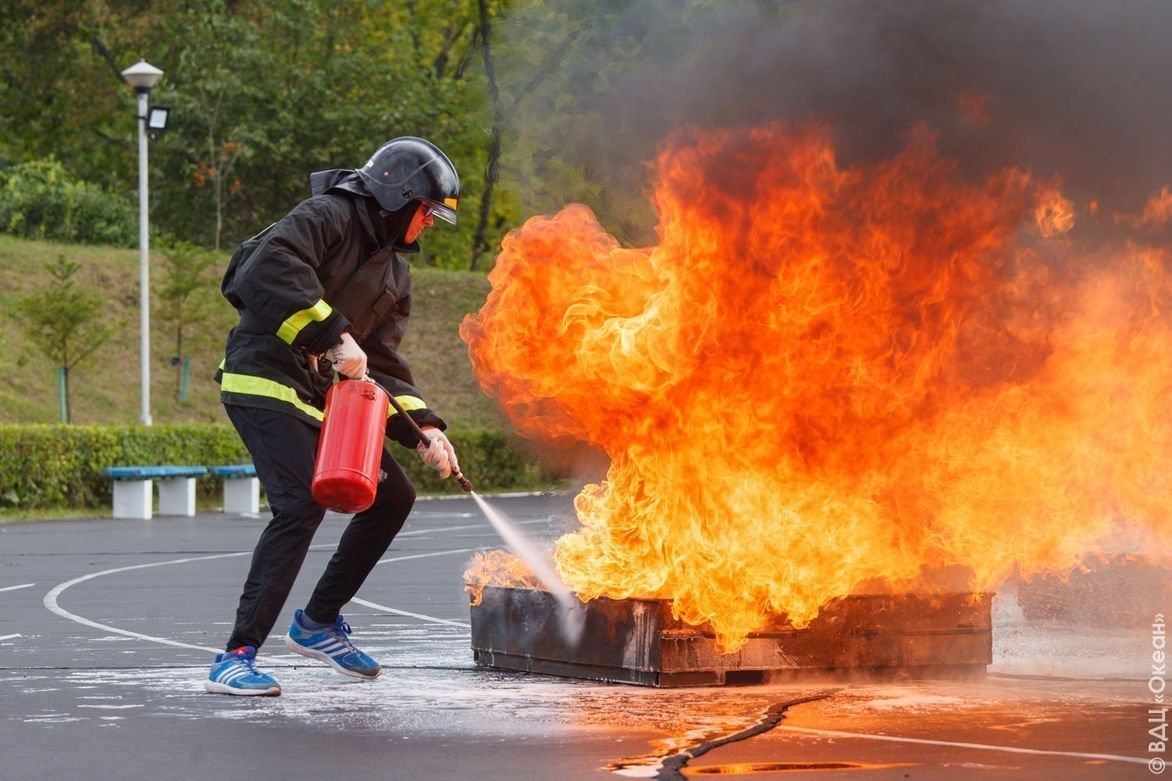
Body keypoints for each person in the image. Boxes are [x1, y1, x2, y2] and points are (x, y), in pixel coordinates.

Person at [205, 137, 462, 696]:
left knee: (394, 496)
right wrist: (335, 334)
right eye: (427, 213)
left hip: (322, 399)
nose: (430, 225)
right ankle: (235, 656)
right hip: (265, 379)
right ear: (400, 196)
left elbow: (382, 365)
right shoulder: (329, 215)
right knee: (299, 504)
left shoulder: (395, 276)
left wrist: (426, 429)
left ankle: (318, 622)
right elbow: (263, 270)